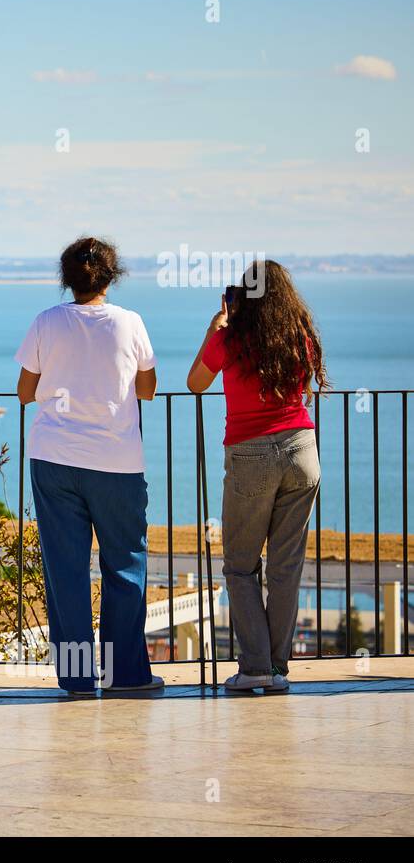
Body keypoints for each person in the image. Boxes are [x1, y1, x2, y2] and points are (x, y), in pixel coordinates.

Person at [16, 236, 162, 696]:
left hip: (54, 459)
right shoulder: (129, 323)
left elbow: (24, 391)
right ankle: (126, 676)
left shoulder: (46, 322)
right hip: (116, 462)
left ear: (66, 278)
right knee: (124, 565)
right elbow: (149, 388)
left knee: (66, 569)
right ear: (111, 276)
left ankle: (77, 679)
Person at [187, 260, 324, 693]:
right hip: (303, 451)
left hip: (250, 454)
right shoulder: (300, 338)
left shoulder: (230, 339)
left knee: (242, 567)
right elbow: (300, 394)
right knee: (286, 567)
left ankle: (255, 668)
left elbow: (195, 383)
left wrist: (216, 329)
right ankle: (277, 668)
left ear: (241, 298)